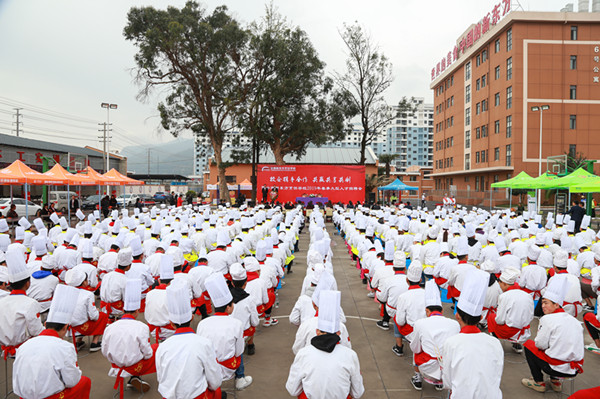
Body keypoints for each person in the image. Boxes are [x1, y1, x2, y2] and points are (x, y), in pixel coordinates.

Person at [13, 285, 92, 399]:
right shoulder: (65, 347)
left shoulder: (25, 345)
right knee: (85, 381)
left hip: (23, 396)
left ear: (45, 325)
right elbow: (72, 380)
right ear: (65, 328)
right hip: (49, 397)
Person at [286, 290, 364, 399]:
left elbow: (293, 390)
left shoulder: (303, 354)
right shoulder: (350, 355)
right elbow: (357, 393)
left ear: (317, 331)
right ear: (338, 332)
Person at [441, 269, 504, 398]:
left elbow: (447, 381)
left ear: (457, 316)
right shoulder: (495, 342)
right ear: (481, 318)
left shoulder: (452, 343)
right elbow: (496, 375)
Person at [156, 283, 225, 399]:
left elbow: (161, 379)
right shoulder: (204, 343)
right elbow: (215, 381)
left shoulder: (162, 347)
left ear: (171, 324)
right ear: (192, 317)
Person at [522, 275, 584, 393]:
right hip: (574, 369)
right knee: (557, 347)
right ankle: (555, 382)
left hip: (555, 368)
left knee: (529, 345)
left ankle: (538, 382)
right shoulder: (575, 321)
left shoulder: (547, 319)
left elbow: (540, 344)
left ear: (556, 305)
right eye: (542, 303)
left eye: (546, 303)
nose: (543, 306)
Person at [197, 274, 252, 391]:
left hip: (208, 369)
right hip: (228, 368)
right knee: (239, 349)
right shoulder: (236, 323)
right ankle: (240, 378)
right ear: (228, 308)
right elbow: (239, 351)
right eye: (232, 304)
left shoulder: (202, 323)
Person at [102, 279, 157, 393]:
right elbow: (147, 353)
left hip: (115, 365)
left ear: (123, 309)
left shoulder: (110, 327)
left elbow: (104, 350)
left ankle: (133, 377)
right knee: (156, 348)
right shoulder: (141, 327)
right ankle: (134, 375)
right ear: (137, 311)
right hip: (134, 364)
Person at [409, 280, 460, 391]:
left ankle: (417, 378)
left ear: (427, 310)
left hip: (427, 366)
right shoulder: (454, 324)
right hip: (448, 368)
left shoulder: (420, 323)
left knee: (416, 347)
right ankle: (440, 382)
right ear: (441, 310)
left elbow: (415, 348)